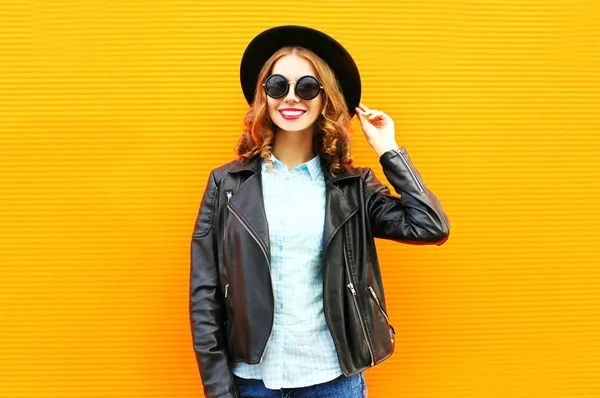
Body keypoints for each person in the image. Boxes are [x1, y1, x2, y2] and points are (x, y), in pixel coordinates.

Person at [190, 25, 450, 398]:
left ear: (325, 97)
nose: (291, 98)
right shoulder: (226, 184)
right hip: (251, 382)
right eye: (278, 85)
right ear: (264, 95)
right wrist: (219, 390)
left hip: (332, 380)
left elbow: (429, 226)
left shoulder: (353, 186)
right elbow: (205, 294)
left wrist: (388, 150)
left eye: (307, 87)